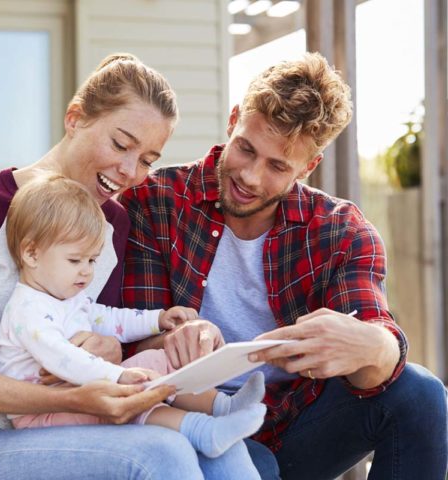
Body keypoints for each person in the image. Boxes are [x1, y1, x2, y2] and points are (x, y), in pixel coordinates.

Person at [0, 52, 279, 479]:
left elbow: (97, 330)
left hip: (74, 423)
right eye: (121, 144)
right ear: (75, 118)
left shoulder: (113, 223)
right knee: (161, 453)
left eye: (147, 159)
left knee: (226, 451)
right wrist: (74, 398)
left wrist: (131, 342)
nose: (129, 171)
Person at [119, 51, 448, 479]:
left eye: (277, 166)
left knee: (422, 394)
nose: (251, 177)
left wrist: (369, 344)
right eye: (246, 149)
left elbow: (380, 355)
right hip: (191, 422)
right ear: (234, 119)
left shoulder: (339, 231)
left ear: (308, 166)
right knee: (252, 465)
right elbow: (128, 343)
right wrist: (172, 339)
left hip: (297, 422)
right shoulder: (155, 202)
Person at [0, 173, 266, 474]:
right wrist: (118, 377)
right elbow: (63, 358)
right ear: (31, 253)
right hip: (42, 416)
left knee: (159, 358)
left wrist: (158, 319)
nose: (86, 272)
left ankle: (222, 406)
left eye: (92, 261)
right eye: (75, 261)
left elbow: (109, 318)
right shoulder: (27, 309)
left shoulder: (67, 297)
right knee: (131, 397)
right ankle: (203, 430)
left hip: (76, 393)